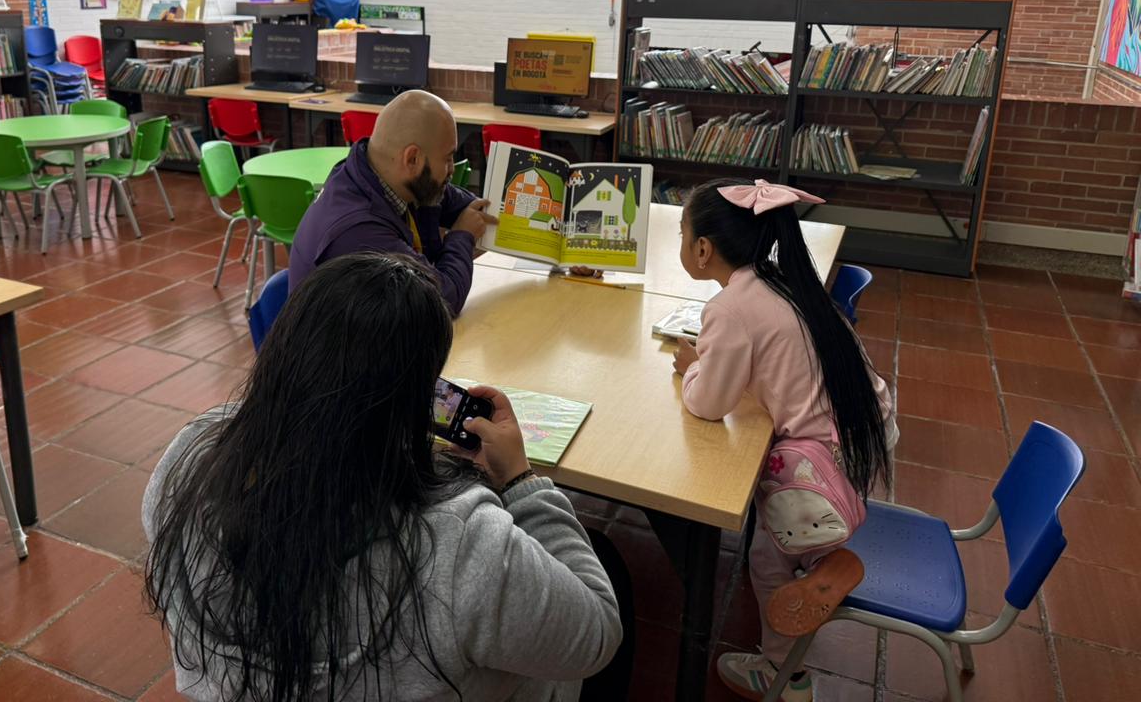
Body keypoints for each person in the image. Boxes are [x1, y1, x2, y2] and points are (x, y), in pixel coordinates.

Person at [143, 252, 623, 701]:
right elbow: (596, 634)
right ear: (408, 406)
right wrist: (521, 482)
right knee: (608, 565)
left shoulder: (189, 457)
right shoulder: (461, 545)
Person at [670, 179, 896, 702]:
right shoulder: (783, 279)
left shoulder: (729, 309)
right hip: (867, 432)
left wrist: (692, 368)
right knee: (777, 536)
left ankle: (784, 674)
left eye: (682, 235)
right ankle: (821, 555)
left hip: (821, 467)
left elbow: (708, 404)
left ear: (702, 250)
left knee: (766, 558)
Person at [288, 90, 493, 317]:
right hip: (337, 350)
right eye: (447, 158)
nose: (452, 169)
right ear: (412, 159)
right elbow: (442, 301)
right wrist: (462, 235)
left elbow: (448, 198)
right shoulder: (359, 231)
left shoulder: (378, 174)